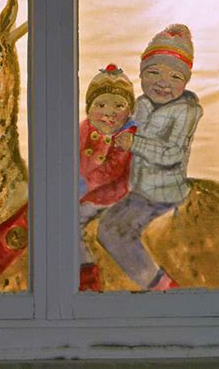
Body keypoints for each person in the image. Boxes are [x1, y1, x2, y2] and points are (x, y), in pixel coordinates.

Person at [97, 25, 203, 291]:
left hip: (159, 192)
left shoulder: (185, 111)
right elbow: (128, 127)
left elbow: (172, 153)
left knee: (112, 231)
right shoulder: (142, 104)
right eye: (153, 72)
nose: (163, 82)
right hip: (137, 186)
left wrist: (135, 144)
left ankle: (159, 284)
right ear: (142, 74)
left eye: (174, 76)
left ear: (185, 82)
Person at [79, 64, 137, 291]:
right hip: (82, 190)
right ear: (89, 109)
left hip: (108, 196)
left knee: (71, 224)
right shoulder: (83, 129)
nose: (109, 112)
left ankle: (86, 275)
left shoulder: (124, 137)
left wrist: (83, 186)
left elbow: (112, 170)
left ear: (129, 111)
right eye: (101, 105)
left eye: (118, 106)